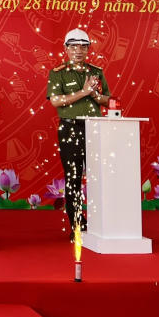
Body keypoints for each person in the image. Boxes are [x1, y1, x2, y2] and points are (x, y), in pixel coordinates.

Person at [46, 28, 110, 237]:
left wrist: (95, 95)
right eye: (74, 47)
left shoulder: (96, 71)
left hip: (95, 128)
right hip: (70, 127)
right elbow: (56, 101)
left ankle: (100, 222)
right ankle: (77, 224)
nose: (79, 51)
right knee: (73, 176)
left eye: (83, 47)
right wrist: (83, 92)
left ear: (88, 49)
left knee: (97, 175)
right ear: (66, 49)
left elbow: (107, 100)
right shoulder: (58, 72)